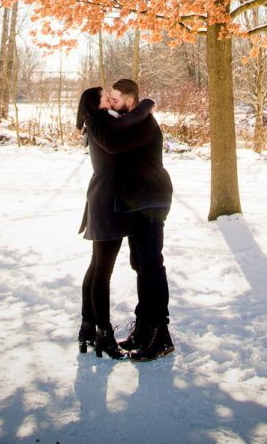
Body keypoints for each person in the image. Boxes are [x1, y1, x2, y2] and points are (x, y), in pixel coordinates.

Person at [82, 78, 174, 362]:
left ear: (130, 101)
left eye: (116, 98)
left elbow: (114, 143)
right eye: (108, 97)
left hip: (151, 200)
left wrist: (145, 106)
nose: (111, 101)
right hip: (137, 203)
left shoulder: (144, 123)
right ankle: (144, 326)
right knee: (140, 265)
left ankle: (160, 333)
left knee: (151, 265)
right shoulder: (129, 122)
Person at [76, 85, 152, 360]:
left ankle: (88, 325)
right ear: (96, 105)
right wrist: (146, 105)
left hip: (104, 198)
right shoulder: (102, 123)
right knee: (102, 270)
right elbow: (120, 140)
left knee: (97, 265)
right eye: (105, 97)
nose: (110, 98)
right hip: (108, 203)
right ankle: (103, 332)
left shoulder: (97, 123)